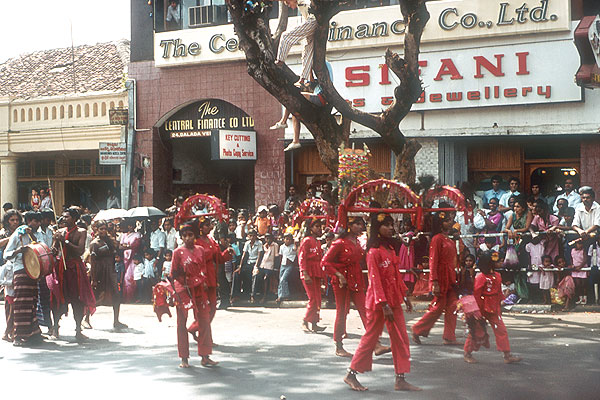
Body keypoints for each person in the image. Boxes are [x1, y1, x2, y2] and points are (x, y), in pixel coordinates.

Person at [343, 213, 420, 392]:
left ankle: (400, 379)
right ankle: (351, 374)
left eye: (391, 225)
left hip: (393, 301)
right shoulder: (373, 253)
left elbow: (395, 277)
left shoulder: (391, 250)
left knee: (401, 338)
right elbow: (374, 280)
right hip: (379, 304)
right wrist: (384, 305)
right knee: (370, 339)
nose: (391, 228)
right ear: (378, 229)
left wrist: (405, 296)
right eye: (387, 225)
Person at [170, 223, 217, 368]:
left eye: (190, 235)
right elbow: (173, 273)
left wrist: (202, 281)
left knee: (204, 320)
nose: (188, 238)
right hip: (184, 290)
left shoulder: (201, 250)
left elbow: (203, 268)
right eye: (185, 235)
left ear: (195, 236)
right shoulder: (177, 252)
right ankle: (184, 358)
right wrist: (178, 290)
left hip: (199, 289)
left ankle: (205, 356)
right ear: (181, 237)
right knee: (181, 323)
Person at [412, 208, 460, 346]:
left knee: (453, 306)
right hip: (441, 277)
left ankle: (449, 336)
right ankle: (417, 329)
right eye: (447, 220)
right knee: (438, 307)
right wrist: (434, 281)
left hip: (450, 277)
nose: (451, 222)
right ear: (441, 223)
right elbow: (433, 261)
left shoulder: (448, 239)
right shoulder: (437, 239)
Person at [463, 251, 522, 364]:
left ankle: (507, 355)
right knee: (476, 331)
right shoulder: (481, 277)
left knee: (501, 330)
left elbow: (499, 292)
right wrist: (477, 313)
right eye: (496, 261)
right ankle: (467, 353)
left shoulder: (497, 276)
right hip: (481, 309)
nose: (500, 262)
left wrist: (502, 303)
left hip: (494, 309)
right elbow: (477, 295)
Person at [51, 207, 96, 340]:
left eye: (67, 217)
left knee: (78, 299)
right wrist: (56, 242)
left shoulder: (81, 231)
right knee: (58, 298)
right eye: (63, 216)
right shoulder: (59, 231)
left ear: (75, 219)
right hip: (61, 269)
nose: (64, 219)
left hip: (75, 269)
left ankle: (78, 329)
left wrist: (65, 241)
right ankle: (55, 328)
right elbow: (54, 251)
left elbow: (80, 250)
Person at [3, 211, 43, 346]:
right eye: (36, 222)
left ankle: (32, 333)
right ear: (30, 221)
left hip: (33, 271)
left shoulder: (36, 234)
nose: (38, 224)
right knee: (21, 303)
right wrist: (19, 251)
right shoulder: (17, 235)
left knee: (32, 302)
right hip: (20, 270)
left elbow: (41, 249)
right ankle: (19, 336)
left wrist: (32, 236)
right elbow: (6, 254)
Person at [89, 220, 127, 329]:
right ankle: (85, 319)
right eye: (101, 229)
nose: (103, 231)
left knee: (116, 295)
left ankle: (116, 321)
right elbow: (93, 262)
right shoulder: (94, 244)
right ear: (96, 229)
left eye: (105, 229)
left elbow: (118, 249)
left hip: (111, 271)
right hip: (100, 272)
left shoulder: (111, 241)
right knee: (95, 296)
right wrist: (93, 278)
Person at [195, 218, 232, 321]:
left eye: (209, 224)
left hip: (212, 276)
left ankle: (197, 329)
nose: (210, 227)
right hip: (202, 277)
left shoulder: (211, 240)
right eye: (207, 225)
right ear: (200, 227)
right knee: (202, 309)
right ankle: (200, 330)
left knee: (212, 308)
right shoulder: (196, 242)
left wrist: (227, 252)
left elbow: (219, 258)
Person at [275, 0, 317, 88]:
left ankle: (280, 61)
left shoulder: (302, 1)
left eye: (289, 3)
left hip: (313, 21)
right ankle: (303, 79)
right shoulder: (300, 5)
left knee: (285, 36)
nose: (290, 6)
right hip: (314, 23)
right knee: (307, 50)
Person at [298, 218, 326, 332]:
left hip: (317, 272)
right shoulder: (306, 240)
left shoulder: (318, 242)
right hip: (308, 272)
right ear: (311, 228)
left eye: (320, 226)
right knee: (313, 299)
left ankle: (314, 323)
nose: (320, 228)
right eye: (317, 226)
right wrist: (305, 273)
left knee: (318, 299)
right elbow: (302, 258)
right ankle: (305, 321)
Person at [1, 209, 22, 342]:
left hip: (20, 268)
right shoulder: (4, 233)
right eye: (12, 220)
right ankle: (8, 331)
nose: (15, 222)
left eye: (17, 220)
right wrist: (13, 237)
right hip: (7, 268)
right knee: (10, 303)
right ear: (7, 221)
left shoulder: (23, 231)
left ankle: (16, 330)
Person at [232, 229, 263, 302]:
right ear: (248, 236)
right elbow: (244, 255)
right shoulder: (247, 243)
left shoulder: (259, 243)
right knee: (236, 274)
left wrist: (256, 266)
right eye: (250, 236)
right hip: (248, 264)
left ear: (256, 236)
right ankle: (235, 295)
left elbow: (259, 255)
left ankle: (253, 296)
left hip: (256, 264)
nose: (252, 237)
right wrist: (240, 266)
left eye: (254, 236)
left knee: (255, 275)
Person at [251, 233, 279, 303]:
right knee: (256, 275)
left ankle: (264, 297)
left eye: (269, 238)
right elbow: (261, 257)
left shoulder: (275, 245)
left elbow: (276, 257)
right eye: (266, 238)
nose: (267, 240)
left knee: (266, 278)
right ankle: (253, 296)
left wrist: (275, 268)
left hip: (270, 266)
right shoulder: (264, 246)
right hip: (263, 265)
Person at [119, 220, 142, 302]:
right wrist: (128, 246)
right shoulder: (124, 235)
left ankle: (133, 298)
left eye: (132, 225)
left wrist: (127, 246)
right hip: (125, 258)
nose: (130, 227)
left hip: (133, 259)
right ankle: (126, 298)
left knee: (131, 277)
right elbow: (120, 246)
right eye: (129, 225)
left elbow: (136, 245)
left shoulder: (137, 234)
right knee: (124, 278)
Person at [277, 233, 297, 303]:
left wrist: (294, 242)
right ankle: (280, 295)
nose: (288, 241)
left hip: (289, 265)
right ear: (284, 239)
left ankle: (286, 295)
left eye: (289, 239)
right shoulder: (282, 247)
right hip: (283, 265)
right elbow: (280, 256)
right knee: (280, 280)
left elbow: (295, 249)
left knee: (283, 279)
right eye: (286, 239)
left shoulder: (292, 247)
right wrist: (280, 265)